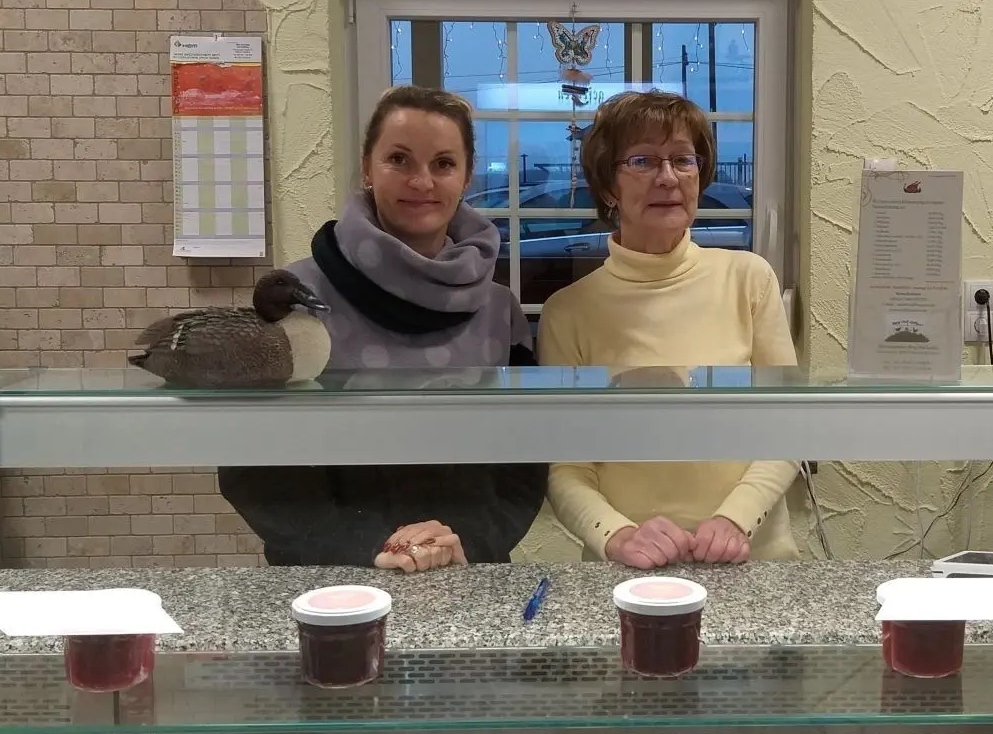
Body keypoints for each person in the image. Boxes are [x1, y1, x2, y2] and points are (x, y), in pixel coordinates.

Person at [218, 86, 547, 572]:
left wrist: (466, 541)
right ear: (367, 168)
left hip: (465, 568)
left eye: (443, 163)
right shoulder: (299, 298)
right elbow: (251, 467)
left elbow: (526, 461)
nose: (422, 180)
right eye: (399, 159)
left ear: (466, 177)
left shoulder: (499, 309)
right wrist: (370, 547)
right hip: (330, 576)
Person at [537, 90, 800, 569]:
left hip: (751, 561)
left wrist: (734, 520)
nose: (667, 178)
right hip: (630, 568)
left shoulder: (749, 279)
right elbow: (567, 468)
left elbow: (787, 429)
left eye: (683, 160)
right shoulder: (568, 312)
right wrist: (616, 535)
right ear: (609, 186)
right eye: (642, 160)